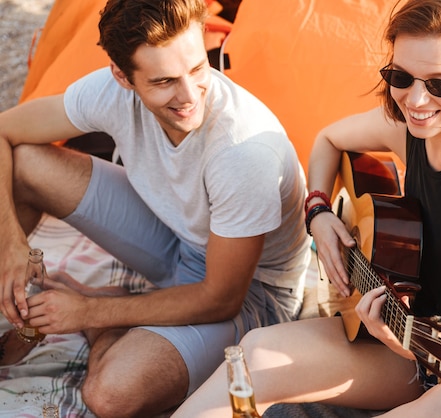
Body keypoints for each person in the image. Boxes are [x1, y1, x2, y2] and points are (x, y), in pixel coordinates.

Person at [174, 0, 441, 417]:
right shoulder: (406, 129)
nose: (415, 99)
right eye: (401, 76)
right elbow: (327, 140)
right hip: (406, 340)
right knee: (256, 356)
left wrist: (419, 339)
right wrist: (319, 213)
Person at [0, 0, 311, 416]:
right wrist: (11, 243)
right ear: (122, 76)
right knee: (24, 164)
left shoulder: (244, 150)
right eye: (164, 81)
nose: (189, 96)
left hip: (255, 292)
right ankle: (21, 305)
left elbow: (221, 299)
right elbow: (4, 132)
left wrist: (90, 311)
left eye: (199, 69)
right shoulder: (110, 92)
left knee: (109, 395)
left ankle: (105, 320)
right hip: (175, 237)